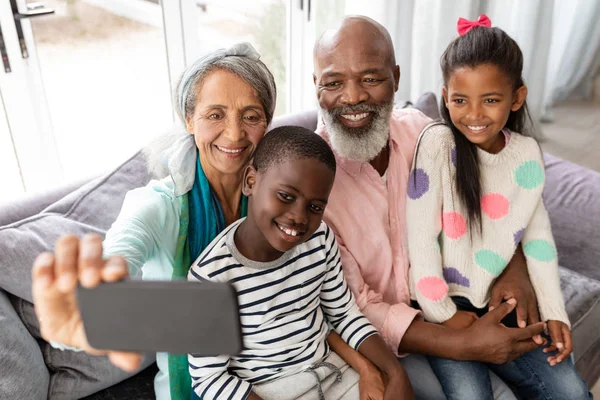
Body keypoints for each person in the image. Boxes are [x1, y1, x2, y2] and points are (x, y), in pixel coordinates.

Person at [30, 43, 389, 400]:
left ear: (267, 122)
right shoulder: (157, 207)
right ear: (189, 119)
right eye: (215, 114)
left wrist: (371, 368)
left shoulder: (285, 203)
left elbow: (311, 307)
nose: (234, 134)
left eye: (250, 116)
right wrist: (87, 305)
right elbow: (118, 257)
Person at [313, 15, 551, 399]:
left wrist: (515, 266)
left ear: (396, 77)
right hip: (389, 339)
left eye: (371, 78)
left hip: (461, 295)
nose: (353, 96)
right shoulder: (311, 179)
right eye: (334, 82)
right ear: (316, 86)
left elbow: (492, 195)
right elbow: (351, 305)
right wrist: (463, 345)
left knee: (563, 386)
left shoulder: (425, 133)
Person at [406, 16, 592, 399]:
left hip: (498, 300)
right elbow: (421, 242)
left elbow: (537, 239)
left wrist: (555, 312)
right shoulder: (438, 144)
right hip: (442, 307)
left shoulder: (525, 154)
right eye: (460, 100)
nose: (474, 115)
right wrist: (448, 316)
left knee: (571, 392)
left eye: (490, 100)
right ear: (445, 97)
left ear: (517, 98)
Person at [187, 126, 412, 400]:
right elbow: (210, 378)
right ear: (250, 181)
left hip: (333, 373)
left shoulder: (319, 238)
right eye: (286, 196)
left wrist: (395, 373)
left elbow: (343, 314)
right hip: (265, 392)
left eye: (315, 207)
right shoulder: (210, 278)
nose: (299, 217)